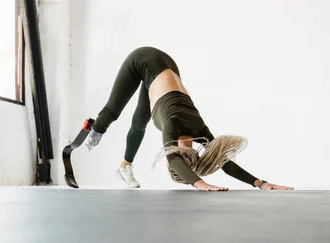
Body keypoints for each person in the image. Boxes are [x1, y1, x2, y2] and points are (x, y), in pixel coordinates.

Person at [85, 46, 293, 192]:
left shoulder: (189, 129)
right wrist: (200, 183)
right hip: (143, 59)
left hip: (165, 68)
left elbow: (218, 162)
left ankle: (125, 166)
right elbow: (220, 161)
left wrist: (259, 183)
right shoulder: (181, 127)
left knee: (139, 123)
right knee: (112, 112)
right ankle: (94, 132)